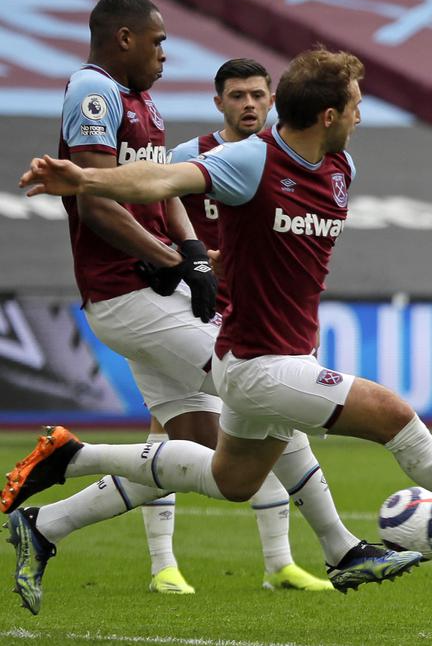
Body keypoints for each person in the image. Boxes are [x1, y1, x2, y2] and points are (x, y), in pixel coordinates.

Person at [8, 46, 432, 614]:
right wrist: (85, 177)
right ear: (329, 115)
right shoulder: (251, 160)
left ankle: (70, 465)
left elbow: (274, 248)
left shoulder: (341, 168)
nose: (360, 116)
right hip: (258, 364)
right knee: (394, 416)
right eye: (355, 105)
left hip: (284, 356)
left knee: (231, 479)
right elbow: (162, 179)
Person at [9, 0, 327, 607]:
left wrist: (192, 254)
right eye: (157, 42)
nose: (164, 54)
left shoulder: (142, 101)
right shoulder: (93, 91)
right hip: (127, 293)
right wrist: (171, 260)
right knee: (264, 386)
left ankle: (46, 525)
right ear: (123, 38)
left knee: (199, 447)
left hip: (152, 291)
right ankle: (339, 548)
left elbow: (161, 193)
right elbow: (97, 203)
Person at [134, 57, 335, 594]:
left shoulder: (282, 160)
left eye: (257, 95)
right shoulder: (190, 157)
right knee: (176, 429)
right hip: (190, 309)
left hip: (253, 321)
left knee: (265, 430)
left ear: (273, 101)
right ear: (218, 102)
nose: (249, 104)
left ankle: (280, 563)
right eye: (238, 95)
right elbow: (149, 208)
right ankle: (162, 565)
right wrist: (179, 259)